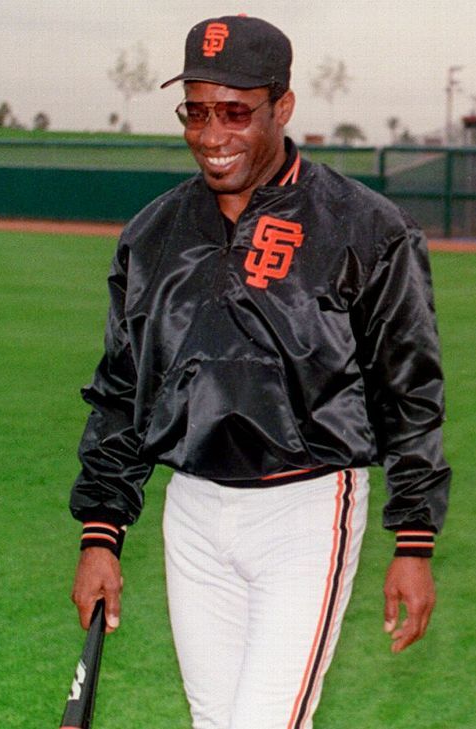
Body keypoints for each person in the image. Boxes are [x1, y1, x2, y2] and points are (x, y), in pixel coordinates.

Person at [68, 15, 450, 728]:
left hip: (305, 511)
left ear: (282, 106)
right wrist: (100, 530)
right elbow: (121, 390)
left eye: (236, 112)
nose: (212, 134)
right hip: (193, 510)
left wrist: (414, 537)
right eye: (197, 111)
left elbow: (410, 387)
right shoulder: (153, 235)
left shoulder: (365, 226)